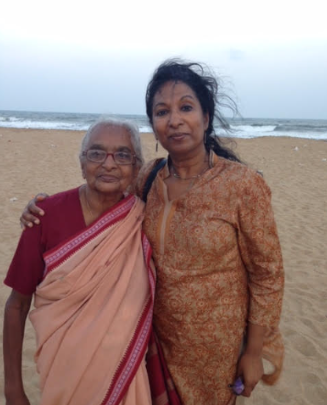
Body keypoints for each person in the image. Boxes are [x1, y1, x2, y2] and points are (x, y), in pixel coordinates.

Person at [18, 60, 284, 405]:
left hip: (216, 352)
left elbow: (268, 275)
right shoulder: (148, 178)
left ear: (205, 117)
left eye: (185, 107)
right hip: (151, 341)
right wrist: (42, 204)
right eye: (162, 111)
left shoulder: (243, 185)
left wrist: (254, 350)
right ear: (154, 126)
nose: (174, 120)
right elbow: (104, 194)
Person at [3, 119, 156, 405]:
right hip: (60, 375)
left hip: (124, 376)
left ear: (136, 168)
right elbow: (16, 304)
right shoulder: (44, 216)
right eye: (96, 153)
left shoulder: (145, 220)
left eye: (122, 155)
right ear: (82, 163)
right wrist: (13, 388)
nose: (109, 164)